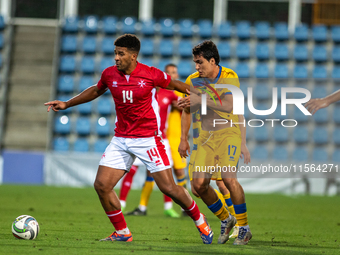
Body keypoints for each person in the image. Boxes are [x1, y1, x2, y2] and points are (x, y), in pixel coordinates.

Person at [45, 34, 213, 244]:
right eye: (115, 53)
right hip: (121, 139)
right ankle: (123, 232)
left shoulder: (150, 74)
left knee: (169, 189)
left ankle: (200, 220)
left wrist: (200, 95)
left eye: (120, 54)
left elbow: (175, 84)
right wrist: (67, 104)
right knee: (102, 185)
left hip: (148, 139)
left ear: (133, 56)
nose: (116, 58)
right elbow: (96, 90)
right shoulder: (109, 74)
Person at [178, 40, 252, 245]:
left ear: (212, 61)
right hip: (206, 137)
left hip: (229, 133)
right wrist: (183, 139)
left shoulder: (229, 77)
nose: (196, 67)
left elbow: (229, 105)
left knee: (228, 179)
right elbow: (186, 110)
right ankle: (226, 219)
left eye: (200, 62)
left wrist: (199, 100)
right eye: (195, 62)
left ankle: (244, 228)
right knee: (198, 186)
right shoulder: (192, 80)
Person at [123, 64, 187, 218]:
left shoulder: (173, 94)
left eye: (174, 72)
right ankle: (133, 205)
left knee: (173, 173)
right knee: (146, 172)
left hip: (168, 139)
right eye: (168, 73)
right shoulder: (152, 91)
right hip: (146, 137)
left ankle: (178, 207)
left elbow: (186, 105)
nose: (171, 75)